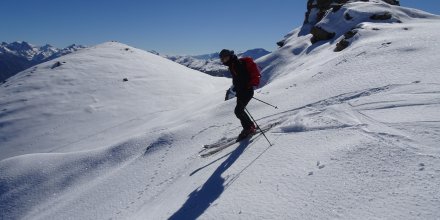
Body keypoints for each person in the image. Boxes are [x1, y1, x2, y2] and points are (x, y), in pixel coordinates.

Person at [219, 49, 261, 140]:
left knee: (238, 111)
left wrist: (241, 87)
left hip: (246, 91)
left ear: (229, 56)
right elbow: (238, 79)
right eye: (222, 59)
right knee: (239, 111)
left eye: (225, 58)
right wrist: (236, 87)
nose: (223, 61)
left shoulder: (236, 64)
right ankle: (250, 126)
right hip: (242, 91)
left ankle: (249, 128)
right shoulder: (232, 64)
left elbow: (244, 78)